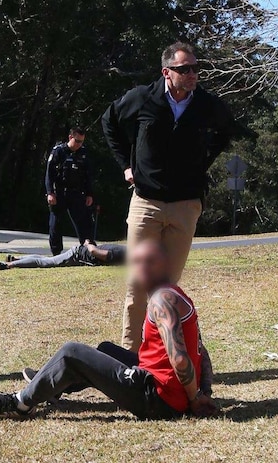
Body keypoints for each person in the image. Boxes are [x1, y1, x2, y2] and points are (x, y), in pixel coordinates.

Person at [0, 240, 216, 421]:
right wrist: (205, 391)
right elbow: (201, 351)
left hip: (158, 398)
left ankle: (20, 403)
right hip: (167, 388)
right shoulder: (177, 295)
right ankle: (51, 385)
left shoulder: (161, 302)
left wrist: (195, 400)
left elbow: (180, 358)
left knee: (71, 352)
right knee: (105, 350)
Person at [101, 42, 235, 351]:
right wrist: (126, 165)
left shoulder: (205, 104)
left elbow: (227, 130)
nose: (192, 75)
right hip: (146, 202)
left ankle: (162, 360)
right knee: (137, 287)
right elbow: (109, 121)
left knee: (166, 291)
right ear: (167, 72)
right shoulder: (142, 98)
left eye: (195, 69)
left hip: (185, 205)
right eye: (184, 69)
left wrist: (203, 160)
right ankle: (129, 362)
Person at [45, 128, 96, 255]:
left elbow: (88, 176)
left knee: (83, 222)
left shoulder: (83, 153)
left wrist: (89, 194)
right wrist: (50, 192)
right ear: (70, 137)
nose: (79, 144)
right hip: (60, 193)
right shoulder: (59, 151)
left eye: (81, 142)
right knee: (56, 223)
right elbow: (49, 173)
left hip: (76, 193)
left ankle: (88, 250)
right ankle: (56, 252)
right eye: (77, 141)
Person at [0, 240, 126, 270]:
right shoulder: (124, 253)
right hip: (78, 254)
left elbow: (96, 252)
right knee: (47, 262)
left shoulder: (123, 253)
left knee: (46, 260)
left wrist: (88, 244)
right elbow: (95, 251)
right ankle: (11, 263)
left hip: (78, 253)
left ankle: (13, 261)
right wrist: (89, 245)